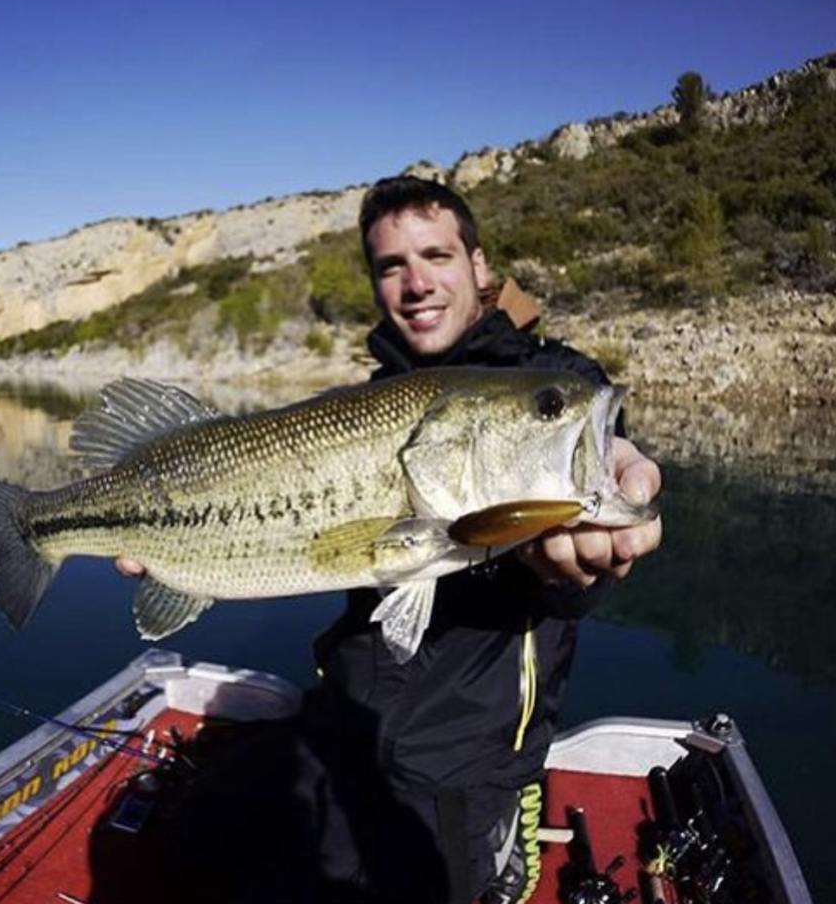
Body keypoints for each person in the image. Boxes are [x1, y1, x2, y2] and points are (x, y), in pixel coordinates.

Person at [116, 175, 662, 904]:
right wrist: (182, 555)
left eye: (435, 255)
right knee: (195, 841)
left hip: (465, 759)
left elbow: (610, 471)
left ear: (479, 265)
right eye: (390, 266)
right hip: (344, 721)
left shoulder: (554, 378)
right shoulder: (372, 393)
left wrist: (605, 522)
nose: (415, 283)